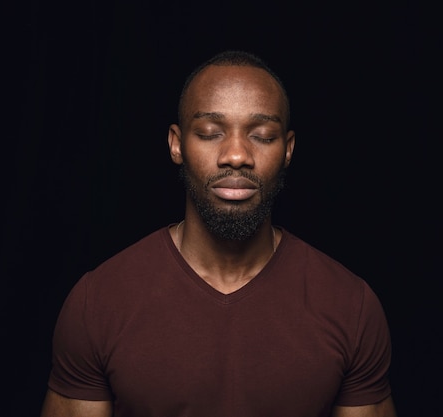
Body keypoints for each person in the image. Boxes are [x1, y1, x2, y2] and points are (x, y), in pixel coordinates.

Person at [40, 50, 397, 417]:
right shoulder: (98, 301)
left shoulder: (350, 305)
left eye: (261, 135)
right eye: (210, 133)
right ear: (177, 145)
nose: (237, 155)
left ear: (288, 150)